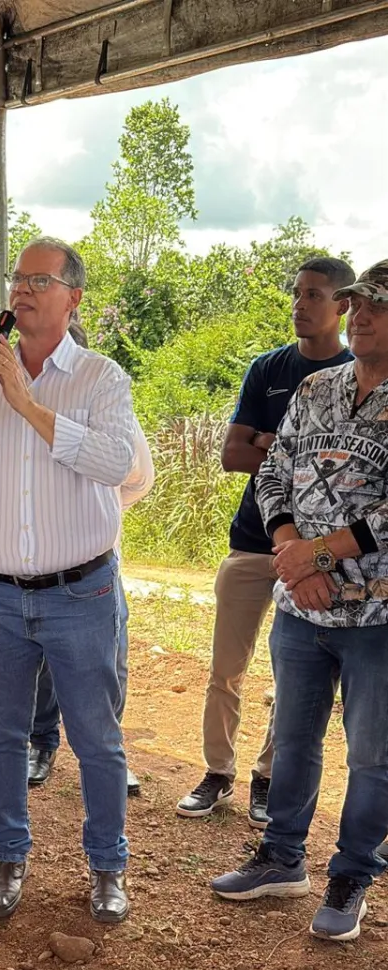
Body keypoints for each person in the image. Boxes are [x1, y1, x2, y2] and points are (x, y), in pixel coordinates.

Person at [0, 237, 136, 924]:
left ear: (72, 297)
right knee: (7, 735)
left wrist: (24, 399)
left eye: (38, 279)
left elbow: (112, 463)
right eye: (17, 278)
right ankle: (7, 858)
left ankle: (106, 867)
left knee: (96, 739)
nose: (21, 289)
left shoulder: (101, 378)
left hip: (82, 592)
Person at [210, 260, 388, 943]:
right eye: (356, 305)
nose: (360, 316)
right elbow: (272, 473)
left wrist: (320, 552)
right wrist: (289, 547)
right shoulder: (314, 387)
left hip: (375, 617)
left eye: (375, 306)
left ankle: (351, 873)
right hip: (301, 607)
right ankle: (282, 857)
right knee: (292, 739)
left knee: (372, 755)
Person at [176, 258, 355, 828]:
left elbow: (350, 475)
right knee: (226, 667)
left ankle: (267, 777)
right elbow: (233, 455)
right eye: (296, 293)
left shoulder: (361, 375)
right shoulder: (269, 369)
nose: (301, 304)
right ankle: (217, 773)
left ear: (344, 305)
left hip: (323, 559)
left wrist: (278, 450)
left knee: (294, 680)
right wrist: (301, 458)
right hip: (254, 542)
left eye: (315, 295)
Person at [30, 410, 154, 795]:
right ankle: (41, 743)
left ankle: (108, 753)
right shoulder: (23, 408)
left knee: (110, 659)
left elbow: (139, 480)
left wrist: (101, 513)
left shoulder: (112, 410)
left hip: (99, 566)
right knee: (44, 660)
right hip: (38, 562)